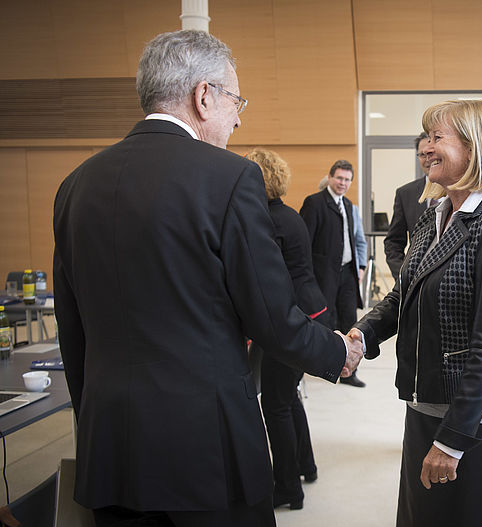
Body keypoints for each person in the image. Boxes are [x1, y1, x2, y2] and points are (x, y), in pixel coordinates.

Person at [53, 30, 362, 527]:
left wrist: (94, 424)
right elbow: (271, 317)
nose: (238, 118)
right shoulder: (230, 178)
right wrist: (335, 351)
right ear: (203, 96)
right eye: (236, 101)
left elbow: (72, 331)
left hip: (108, 450)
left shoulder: (75, 185)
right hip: (207, 453)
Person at [350, 99, 482, 527]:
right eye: (427, 138)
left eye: (437, 138)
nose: (425, 148)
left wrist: (452, 440)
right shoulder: (435, 213)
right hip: (428, 401)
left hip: (480, 420)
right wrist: (362, 334)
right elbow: (404, 293)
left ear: (474, 148)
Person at [245, 148, 326, 511]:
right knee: (287, 395)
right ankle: (306, 466)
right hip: (311, 311)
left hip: (292, 320)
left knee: (275, 404)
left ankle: (288, 488)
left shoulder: (266, 221)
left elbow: (264, 280)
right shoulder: (287, 214)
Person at [300, 160, 366, 388]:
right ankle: (325, 368)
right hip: (323, 275)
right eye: (339, 178)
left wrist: (359, 268)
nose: (343, 183)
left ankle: (348, 372)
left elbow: (353, 239)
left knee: (349, 321)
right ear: (329, 178)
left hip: (347, 273)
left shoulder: (348, 205)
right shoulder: (314, 203)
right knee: (325, 322)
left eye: (347, 179)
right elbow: (304, 243)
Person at [384, 132, 432, 280]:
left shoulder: (458, 190)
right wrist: (402, 276)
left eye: (431, 153)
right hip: (415, 280)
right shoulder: (405, 194)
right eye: (422, 155)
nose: (428, 159)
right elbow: (393, 242)